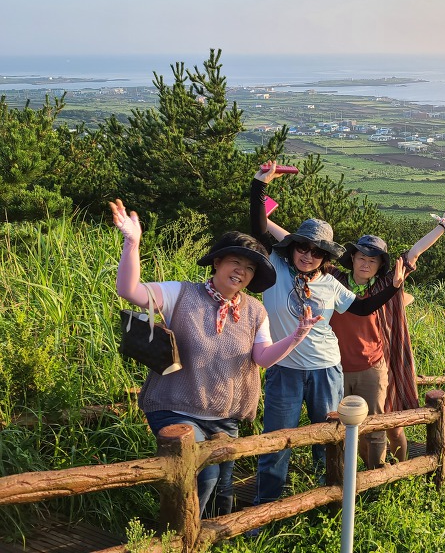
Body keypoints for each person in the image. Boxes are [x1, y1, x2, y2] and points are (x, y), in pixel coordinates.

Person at [111, 199, 319, 517]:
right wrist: (132, 242)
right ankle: (180, 536)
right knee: (205, 475)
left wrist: (296, 337)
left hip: (225, 416)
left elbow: (263, 358)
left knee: (223, 491)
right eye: (235, 262)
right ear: (217, 262)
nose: (241, 271)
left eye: (249, 268)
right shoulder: (181, 294)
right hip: (175, 408)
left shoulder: (254, 311)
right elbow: (130, 290)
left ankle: (212, 535)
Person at [248, 163, 408, 507]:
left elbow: (362, 308)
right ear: (292, 247)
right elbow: (259, 228)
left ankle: (329, 500)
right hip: (284, 369)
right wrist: (259, 186)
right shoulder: (276, 268)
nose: (308, 256)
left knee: (329, 440)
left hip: (326, 370)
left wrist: (394, 287)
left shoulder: (331, 284)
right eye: (303, 248)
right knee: (277, 441)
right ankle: (266, 506)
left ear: (326, 257)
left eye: (317, 252)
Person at [329, 210, 445, 467]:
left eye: (372, 260)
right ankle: (365, 474)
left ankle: (387, 474)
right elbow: (306, 249)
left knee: (378, 427)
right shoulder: (335, 281)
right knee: (349, 429)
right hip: (337, 369)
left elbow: (413, 253)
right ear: (353, 259)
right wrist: (266, 211)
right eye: (361, 257)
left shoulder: (384, 285)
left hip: (372, 366)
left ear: (380, 265)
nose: (366, 264)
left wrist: (444, 225)